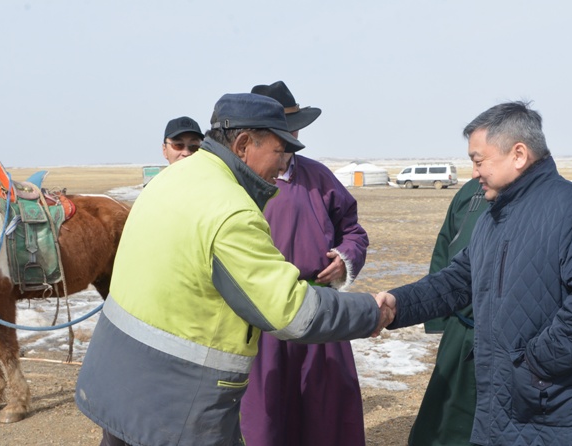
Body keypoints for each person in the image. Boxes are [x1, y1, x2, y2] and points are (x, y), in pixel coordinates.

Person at [74, 93, 393, 446]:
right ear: (243, 144)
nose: (283, 162)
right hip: (177, 405)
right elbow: (291, 311)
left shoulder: (172, 180)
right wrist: (370, 311)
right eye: (278, 150)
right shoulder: (230, 209)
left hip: (117, 383)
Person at [383, 101, 572, 446]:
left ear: (518, 154)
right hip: (502, 410)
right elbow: (458, 280)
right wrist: (396, 305)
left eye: (478, 160)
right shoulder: (492, 218)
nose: (473, 172)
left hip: (559, 414)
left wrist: (534, 366)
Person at [240, 81, 370, 446]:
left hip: (320, 316)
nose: (293, 136)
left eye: (295, 127)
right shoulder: (235, 184)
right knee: (265, 418)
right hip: (259, 319)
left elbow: (354, 231)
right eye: (283, 129)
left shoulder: (318, 176)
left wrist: (345, 261)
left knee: (326, 414)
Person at [408, 177, 488, 446]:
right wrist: (436, 319)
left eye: (480, 159)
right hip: (460, 324)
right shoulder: (470, 191)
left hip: (510, 339)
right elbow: (444, 250)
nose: (476, 170)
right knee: (443, 419)